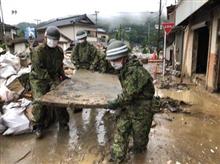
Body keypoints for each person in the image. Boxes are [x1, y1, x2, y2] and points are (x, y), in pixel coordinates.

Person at [105, 40, 155, 163]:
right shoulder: (124, 68)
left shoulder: (135, 71)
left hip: (142, 107)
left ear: (124, 57)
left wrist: (113, 103)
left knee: (139, 140)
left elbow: (127, 96)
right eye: (111, 60)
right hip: (129, 104)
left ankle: (140, 153)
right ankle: (117, 158)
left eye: (115, 60)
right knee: (121, 130)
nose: (113, 63)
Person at [29, 26, 70, 139]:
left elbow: (60, 66)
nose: (53, 42)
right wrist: (51, 83)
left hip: (53, 77)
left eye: (56, 40)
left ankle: (63, 122)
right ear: (46, 38)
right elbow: (39, 70)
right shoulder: (38, 51)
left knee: (59, 99)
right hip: (39, 79)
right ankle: (38, 125)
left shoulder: (59, 51)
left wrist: (63, 76)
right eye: (51, 39)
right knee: (39, 101)